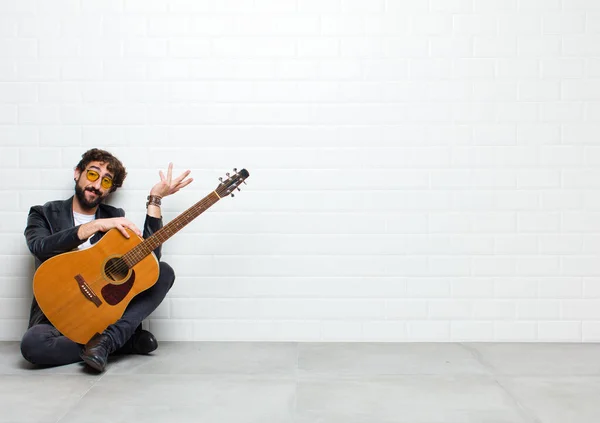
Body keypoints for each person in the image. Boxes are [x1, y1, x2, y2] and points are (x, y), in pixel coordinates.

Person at [20, 148, 192, 372]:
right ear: (77, 173)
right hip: (57, 314)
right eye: (92, 174)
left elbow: (148, 263)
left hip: (101, 317)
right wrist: (94, 226)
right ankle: (120, 342)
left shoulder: (114, 216)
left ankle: (108, 340)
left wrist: (155, 199)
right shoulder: (44, 213)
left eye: (106, 181)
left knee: (163, 271)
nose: (97, 184)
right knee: (34, 345)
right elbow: (39, 247)